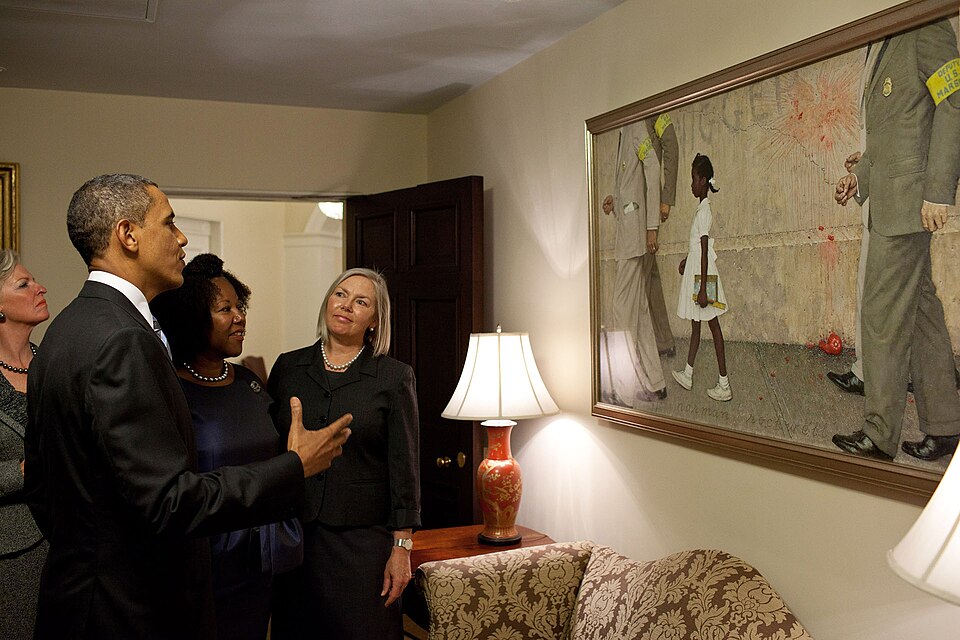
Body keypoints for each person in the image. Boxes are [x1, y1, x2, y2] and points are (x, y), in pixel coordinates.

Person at [24, 174, 352, 639]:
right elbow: (170, 502)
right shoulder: (123, 339)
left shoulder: (64, 330)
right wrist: (293, 467)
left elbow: (41, 486)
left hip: (78, 600)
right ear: (128, 235)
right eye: (170, 223)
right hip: (130, 611)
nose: (182, 238)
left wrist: (90, 552)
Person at [831, 18, 960, 461]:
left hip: (910, 204)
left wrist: (940, 192)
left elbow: (954, 104)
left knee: (881, 313)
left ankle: (880, 435)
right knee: (922, 313)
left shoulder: (926, 27)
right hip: (892, 199)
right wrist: (859, 178)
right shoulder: (886, 36)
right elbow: (896, 130)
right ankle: (946, 424)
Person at [269, 267, 420, 640]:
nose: (346, 305)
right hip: (295, 536)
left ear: (374, 320)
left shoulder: (393, 377)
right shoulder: (289, 366)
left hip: (362, 545)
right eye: (340, 294)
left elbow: (405, 468)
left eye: (361, 301)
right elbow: (271, 448)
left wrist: (401, 548)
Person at [150, 253, 291, 640]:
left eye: (239, 306)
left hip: (261, 560)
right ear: (191, 317)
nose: (239, 317)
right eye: (224, 309)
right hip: (201, 564)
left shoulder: (250, 382)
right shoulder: (173, 391)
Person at [601, 113, 679, 402]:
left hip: (635, 237)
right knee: (641, 312)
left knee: (622, 311)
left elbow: (653, 166)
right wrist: (615, 199)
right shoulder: (626, 127)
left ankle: (621, 389)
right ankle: (656, 383)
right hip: (631, 232)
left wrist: (651, 228)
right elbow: (632, 179)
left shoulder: (632, 123)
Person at [0, 251, 49, 639]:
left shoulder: (54, 361)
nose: (39, 288)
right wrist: (22, 470)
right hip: (10, 557)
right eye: (23, 284)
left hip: (72, 545)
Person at [672, 153, 731, 402]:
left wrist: (704, 288)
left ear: (704, 180)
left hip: (703, 279)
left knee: (713, 326)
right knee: (696, 326)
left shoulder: (705, 211)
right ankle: (688, 373)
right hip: (698, 273)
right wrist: (687, 261)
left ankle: (724, 383)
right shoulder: (700, 210)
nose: (691, 184)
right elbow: (697, 248)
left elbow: (705, 249)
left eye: (694, 179)